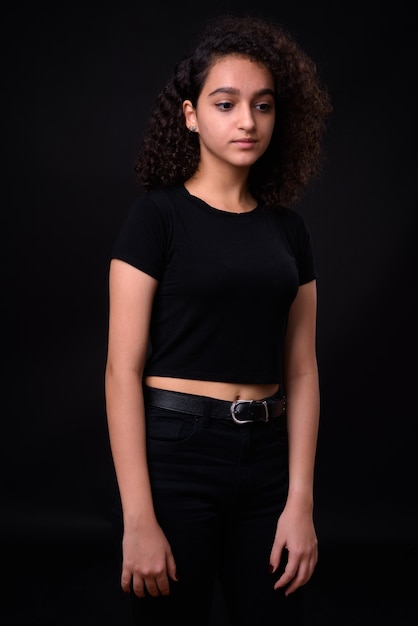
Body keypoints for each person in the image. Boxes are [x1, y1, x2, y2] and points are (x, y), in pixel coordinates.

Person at [105, 13, 332, 626]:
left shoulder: (289, 229)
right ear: (190, 114)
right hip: (177, 458)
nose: (246, 121)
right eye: (226, 103)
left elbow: (304, 371)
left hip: (267, 460)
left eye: (262, 106)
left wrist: (300, 502)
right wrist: (138, 517)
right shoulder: (155, 220)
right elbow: (120, 372)